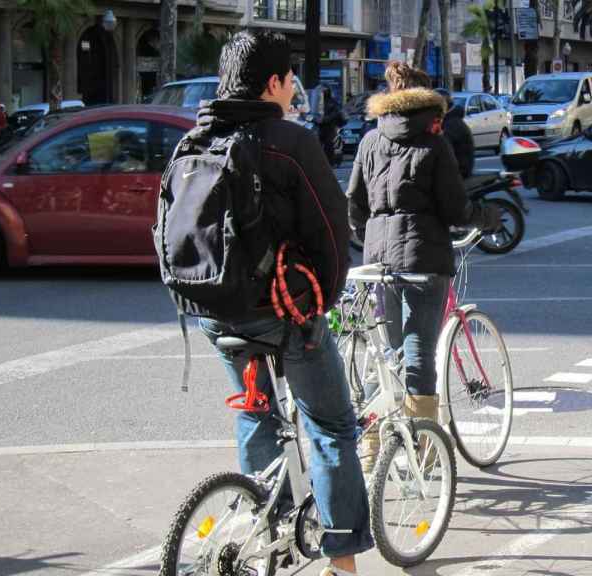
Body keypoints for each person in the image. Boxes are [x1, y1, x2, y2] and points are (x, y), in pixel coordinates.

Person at [184, 31, 372, 576]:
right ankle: (342, 565)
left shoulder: (194, 141)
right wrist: (320, 304)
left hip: (215, 312)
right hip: (287, 315)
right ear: (273, 83)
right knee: (332, 428)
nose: (293, 91)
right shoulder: (289, 142)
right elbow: (333, 237)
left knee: (256, 413)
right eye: (290, 81)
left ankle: (272, 533)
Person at [347, 62, 499, 471]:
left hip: (377, 260)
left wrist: (372, 236)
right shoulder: (434, 144)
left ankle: (372, 445)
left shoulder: (370, 141)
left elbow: (355, 206)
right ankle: (422, 448)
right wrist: (485, 217)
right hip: (424, 258)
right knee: (417, 352)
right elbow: (455, 208)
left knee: (386, 352)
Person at [435, 88, 475, 179]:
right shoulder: (451, 121)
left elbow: (444, 153)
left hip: (457, 174)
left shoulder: (451, 125)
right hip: (458, 170)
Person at [319, 86, 346, 164]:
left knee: (329, 144)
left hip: (330, 127)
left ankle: (330, 161)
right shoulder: (318, 102)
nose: (323, 93)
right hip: (320, 126)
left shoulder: (332, 102)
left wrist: (327, 118)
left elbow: (337, 113)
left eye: (324, 91)